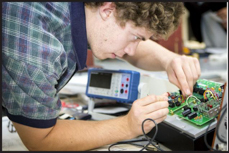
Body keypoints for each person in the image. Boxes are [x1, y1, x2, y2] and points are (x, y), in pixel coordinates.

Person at [2, 2, 201, 151]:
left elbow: (122, 36)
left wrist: (169, 59)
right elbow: (40, 139)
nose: (132, 50)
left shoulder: (83, 14)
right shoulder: (39, 47)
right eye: (136, 37)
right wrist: (127, 126)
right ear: (107, 9)